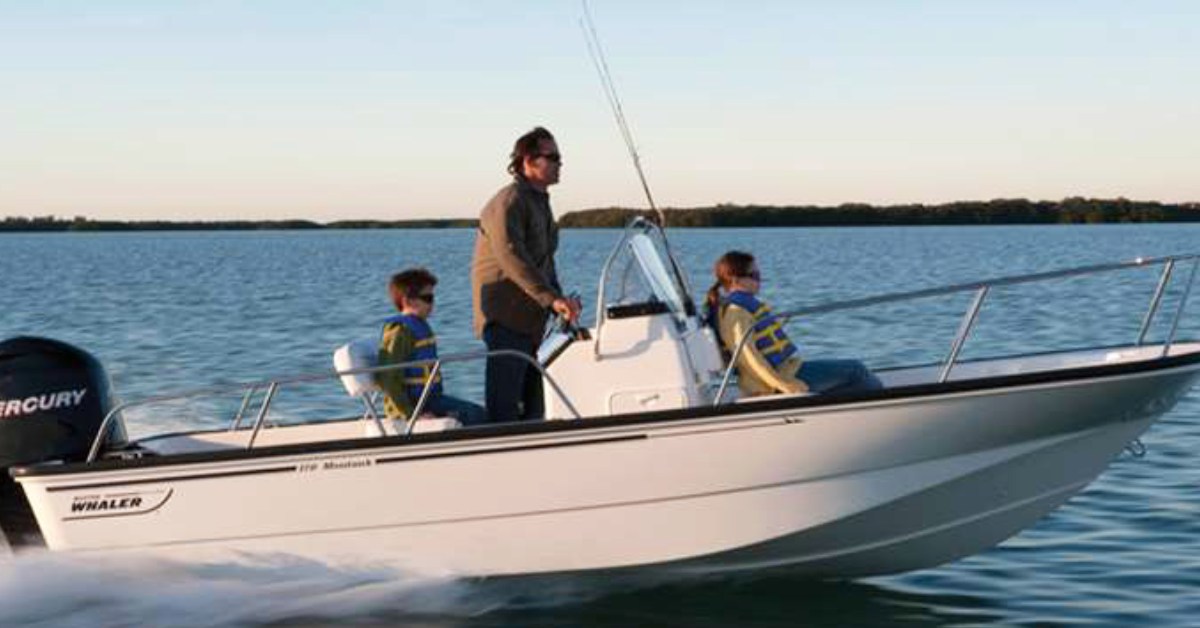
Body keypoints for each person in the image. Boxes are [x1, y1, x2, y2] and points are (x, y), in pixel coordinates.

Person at [471, 127, 580, 423]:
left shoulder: (540, 202)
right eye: (552, 157)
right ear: (528, 161)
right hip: (505, 320)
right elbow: (512, 257)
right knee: (505, 411)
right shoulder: (510, 201)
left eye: (559, 157)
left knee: (535, 407)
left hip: (532, 322)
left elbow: (544, 261)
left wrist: (560, 300)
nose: (560, 163)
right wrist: (550, 298)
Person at [707, 250, 883, 397]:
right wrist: (784, 385)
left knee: (853, 377)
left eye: (759, 275)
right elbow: (749, 358)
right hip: (776, 380)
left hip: (788, 369)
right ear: (736, 280)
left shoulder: (740, 307)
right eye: (754, 275)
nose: (759, 280)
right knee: (856, 370)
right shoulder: (736, 312)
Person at [377, 268, 487, 426]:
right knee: (475, 415)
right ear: (407, 301)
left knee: (478, 412)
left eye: (432, 297)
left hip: (430, 399)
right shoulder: (400, 332)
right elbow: (387, 378)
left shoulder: (419, 326)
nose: (432, 303)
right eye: (427, 298)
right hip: (415, 405)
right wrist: (410, 414)